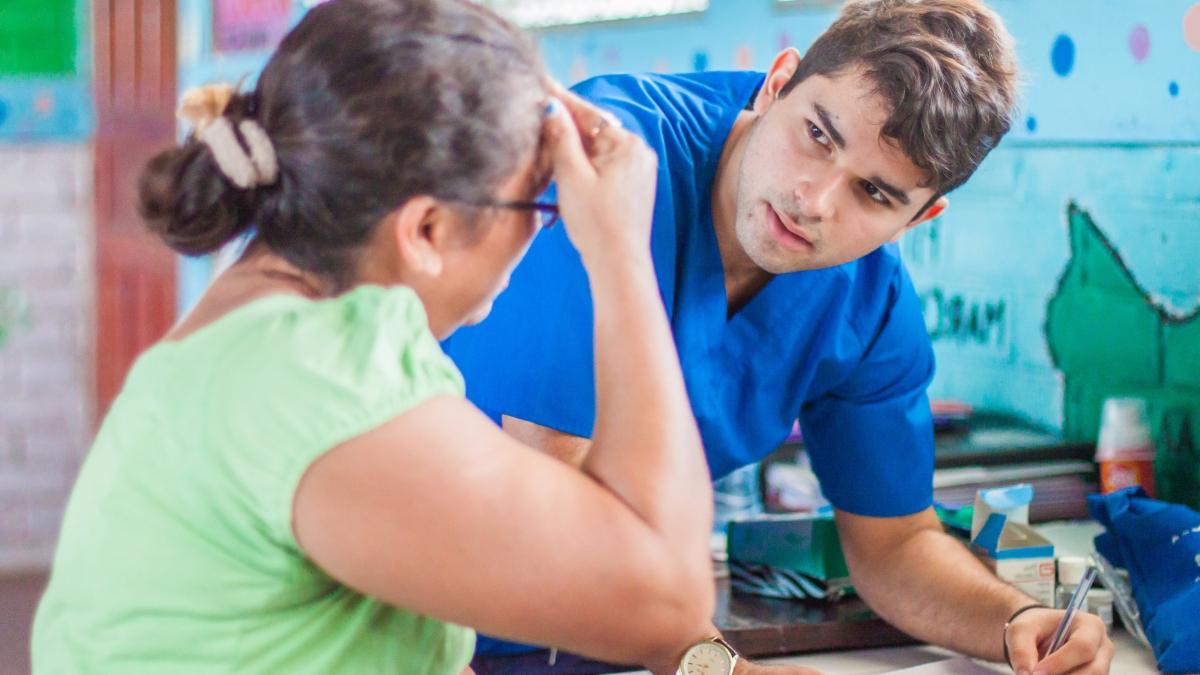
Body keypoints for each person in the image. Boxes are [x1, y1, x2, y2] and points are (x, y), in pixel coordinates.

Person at [31, 1, 723, 673]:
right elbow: (668, 598)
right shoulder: (317, 375)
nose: (547, 228)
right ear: (426, 231)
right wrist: (621, 246)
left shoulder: (261, 332)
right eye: (542, 204)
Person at [443, 1, 1114, 673]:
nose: (814, 200)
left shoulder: (868, 302)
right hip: (411, 621)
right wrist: (717, 665)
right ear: (777, 81)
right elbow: (554, 509)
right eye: (819, 135)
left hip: (611, 641)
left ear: (920, 216)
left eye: (875, 194)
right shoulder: (602, 170)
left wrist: (1018, 619)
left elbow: (895, 542)